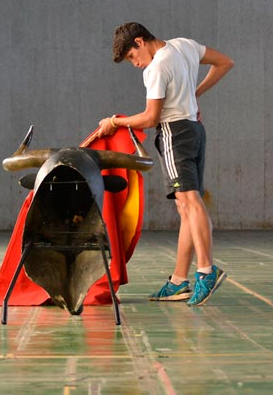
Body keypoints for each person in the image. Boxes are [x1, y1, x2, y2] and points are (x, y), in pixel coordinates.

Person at [96, 22, 234, 306]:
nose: (134, 64)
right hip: (195, 131)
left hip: (174, 133)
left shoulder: (156, 68)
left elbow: (150, 119)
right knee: (185, 206)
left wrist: (114, 122)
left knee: (190, 202)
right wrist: (194, 94)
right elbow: (224, 63)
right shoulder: (183, 45)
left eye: (132, 57)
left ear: (140, 41)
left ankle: (207, 271)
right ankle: (178, 280)